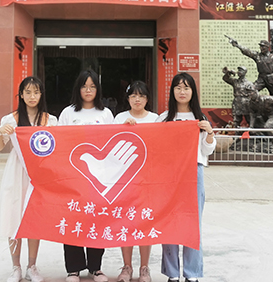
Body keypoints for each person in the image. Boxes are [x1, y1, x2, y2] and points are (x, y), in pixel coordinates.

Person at [0, 76, 57, 282]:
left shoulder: (49, 120)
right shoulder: (10, 119)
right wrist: (0, 133)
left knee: (34, 217)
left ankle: (32, 266)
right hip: (16, 172)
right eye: (28, 92)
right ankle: (16, 267)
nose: (32, 96)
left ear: (41, 95)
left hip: (38, 174)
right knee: (14, 215)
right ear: (21, 95)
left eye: (36, 92)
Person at [156, 73, 216, 282]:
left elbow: (207, 150)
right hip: (169, 175)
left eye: (186, 88)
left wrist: (209, 133)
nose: (182, 92)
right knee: (169, 222)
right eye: (178, 88)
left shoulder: (200, 118)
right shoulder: (164, 118)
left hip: (193, 172)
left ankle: (192, 273)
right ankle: (172, 273)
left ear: (193, 92)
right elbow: (154, 146)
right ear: (172, 91)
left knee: (192, 223)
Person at [58, 69, 114, 282]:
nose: (88, 90)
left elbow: (113, 142)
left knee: (96, 219)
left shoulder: (105, 113)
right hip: (73, 175)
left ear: (98, 89)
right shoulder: (68, 113)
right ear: (78, 88)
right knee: (73, 218)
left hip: (99, 178)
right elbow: (60, 143)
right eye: (84, 86)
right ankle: (73, 269)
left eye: (92, 86)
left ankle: (95, 268)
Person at [113, 81, 157, 282]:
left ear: (147, 99)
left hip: (148, 179)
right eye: (133, 96)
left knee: (144, 222)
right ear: (128, 98)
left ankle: (144, 268)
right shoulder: (120, 118)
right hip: (124, 179)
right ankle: (127, 266)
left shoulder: (155, 119)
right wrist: (123, 128)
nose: (137, 99)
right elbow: (111, 145)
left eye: (141, 95)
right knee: (126, 221)